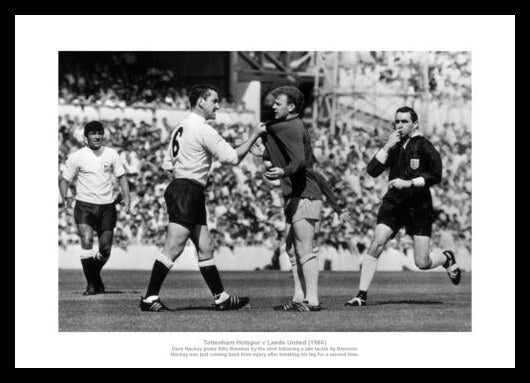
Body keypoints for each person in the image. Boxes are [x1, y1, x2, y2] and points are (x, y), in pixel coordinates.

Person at [140, 84, 267, 312]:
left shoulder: (180, 126)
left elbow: (168, 165)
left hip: (186, 187)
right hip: (187, 190)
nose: (218, 105)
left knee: (205, 247)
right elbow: (231, 158)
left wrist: (191, 176)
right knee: (174, 246)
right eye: (214, 100)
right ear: (201, 101)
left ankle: (221, 297)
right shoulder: (203, 128)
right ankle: (149, 298)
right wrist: (254, 135)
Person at [345, 106, 461, 307]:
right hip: (394, 203)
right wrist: (386, 147)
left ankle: (446, 258)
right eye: (397, 121)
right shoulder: (394, 146)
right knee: (377, 242)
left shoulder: (425, 146)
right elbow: (372, 171)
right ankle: (361, 295)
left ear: (415, 124)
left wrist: (410, 182)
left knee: (422, 262)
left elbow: (436, 175)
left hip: (419, 205)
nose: (399, 125)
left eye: (404, 121)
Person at [260, 85, 325, 312]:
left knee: (304, 248)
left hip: (306, 194)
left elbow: (297, 161)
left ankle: (312, 300)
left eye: (278, 103)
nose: (273, 106)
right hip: (296, 195)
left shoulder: (293, 127)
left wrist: (282, 171)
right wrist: (266, 159)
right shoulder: (286, 127)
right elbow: (282, 159)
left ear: (292, 107)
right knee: (291, 249)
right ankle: (299, 297)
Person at [59, 121, 131, 295]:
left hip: (107, 207)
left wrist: (127, 196)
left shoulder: (112, 154)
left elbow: (121, 177)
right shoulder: (77, 156)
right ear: (86, 137)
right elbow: (64, 180)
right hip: (84, 206)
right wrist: (66, 197)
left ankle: (95, 277)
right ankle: (91, 285)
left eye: (99, 133)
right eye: (93, 133)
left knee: (105, 249)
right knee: (87, 240)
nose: (97, 136)